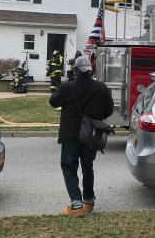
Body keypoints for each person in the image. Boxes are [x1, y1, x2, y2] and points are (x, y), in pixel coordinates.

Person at [49, 56, 114, 217]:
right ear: (90, 69)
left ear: (76, 70)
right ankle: (89, 201)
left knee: (69, 167)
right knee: (88, 167)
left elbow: (53, 102)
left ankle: (76, 205)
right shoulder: (101, 87)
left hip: (71, 135)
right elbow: (109, 111)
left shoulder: (67, 87)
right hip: (91, 136)